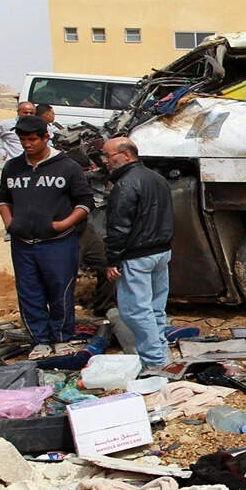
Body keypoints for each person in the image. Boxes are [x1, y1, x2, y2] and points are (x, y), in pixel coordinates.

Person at [0, 115, 94, 358]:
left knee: (60, 291)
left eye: (32, 139)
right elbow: (3, 198)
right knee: (29, 292)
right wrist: (9, 222)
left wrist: (64, 224)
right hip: (23, 244)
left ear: (45, 137)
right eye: (23, 139)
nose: (27, 144)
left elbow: (85, 202)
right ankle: (39, 340)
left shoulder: (67, 167)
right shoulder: (12, 167)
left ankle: (61, 338)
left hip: (58, 244)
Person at [101, 137, 174, 368]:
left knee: (135, 311)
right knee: (155, 308)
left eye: (108, 156)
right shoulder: (157, 178)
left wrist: (113, 259)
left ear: (126, 155)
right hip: (161, 252)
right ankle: (161, 352)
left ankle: (154, 361)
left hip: (137, 255)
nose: (105, 161)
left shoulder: (125, 185)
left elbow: (118, 226)